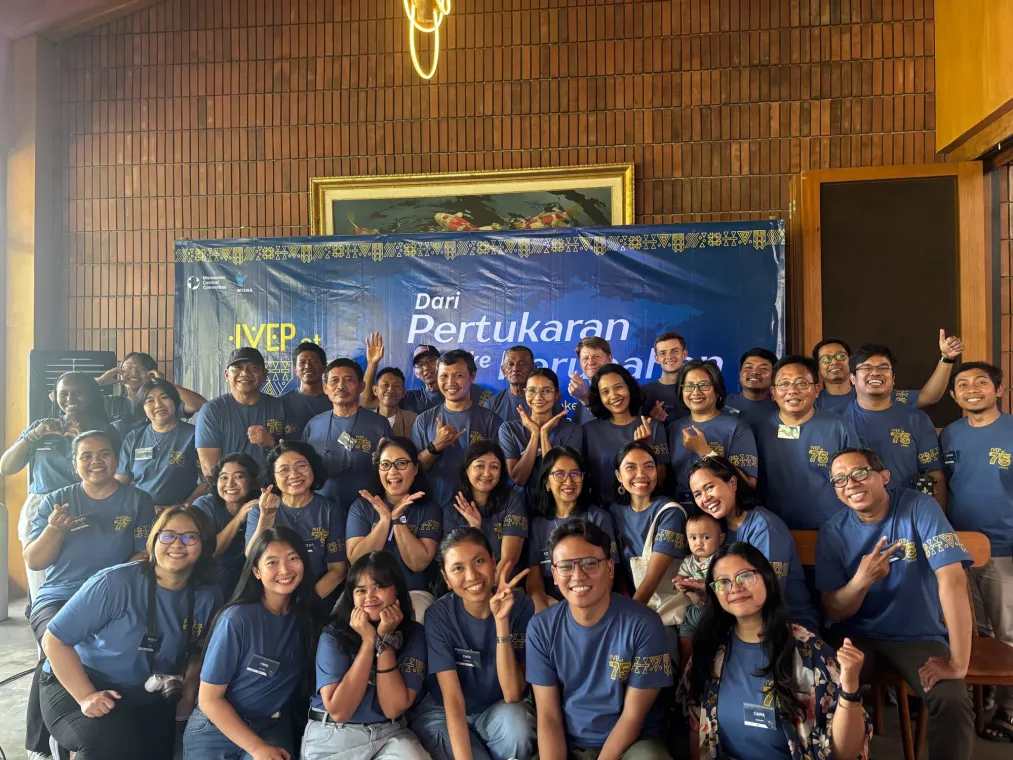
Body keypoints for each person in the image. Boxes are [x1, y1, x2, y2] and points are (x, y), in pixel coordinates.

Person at [817, 447, 975, 760]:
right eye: (839, 480)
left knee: (952, 698)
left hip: (917, 637)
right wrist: (861, 581)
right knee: (818, 687)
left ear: (883, 476)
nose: (851, 483)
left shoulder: (920, 507)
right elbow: (833, 609)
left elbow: (953, 579)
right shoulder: (833, 531)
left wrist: (958, 662)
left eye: (859, 473)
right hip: (856, 639)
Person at [40, 506, 221, 760]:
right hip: (79, 682)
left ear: (205, 545)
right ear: (154, 540)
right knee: (108, 745)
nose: (177, 544)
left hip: (146, 694)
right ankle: (67, 747)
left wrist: (186, 700)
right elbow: (54, 640)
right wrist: (86, 695)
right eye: (168, 535)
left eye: (190, 537)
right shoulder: (115, 583)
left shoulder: (207, 595)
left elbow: (196, 653)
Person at [23, 429, 157, 759]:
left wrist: (112, 585)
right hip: (60, 595)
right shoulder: (56, 501)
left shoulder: (137, 499)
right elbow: (35, 559)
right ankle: (41, 744)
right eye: (86, 455)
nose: (96, 461)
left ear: (117, 459)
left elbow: (143, 554)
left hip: (115, 595)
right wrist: (55, 529)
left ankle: (108, 724)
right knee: (54, 648)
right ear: (74, 463)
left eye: (104, 454)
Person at [680, 542, 871, 760]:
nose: (735, 588)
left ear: (767, 579)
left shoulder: (809, 651)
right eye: (723, 582)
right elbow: (696, 728)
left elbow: (845, 753)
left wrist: (849, 688)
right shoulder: (709, 649)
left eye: (745, 576)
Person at [526, 518, 674, 759]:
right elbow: (549, 716)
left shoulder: (644, 624)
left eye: (589, 563)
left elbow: (632, 717)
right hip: (571, 745)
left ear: (609, 569)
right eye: (565, 566)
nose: (578, 575)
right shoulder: (541, 628)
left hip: (631, 746)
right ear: (554, 574)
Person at [184, 526, 317, 760]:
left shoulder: (308, 619)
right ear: (256, 570)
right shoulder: (237, 618)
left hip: (270, 727)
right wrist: (256, 748)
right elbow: (209, 699)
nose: (285, 570)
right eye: (272, 562)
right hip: (216, 728)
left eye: (293, 559)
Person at [411, 529, 537, 760]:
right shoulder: (438, 616)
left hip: (495, 707)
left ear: (494, 563)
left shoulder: (520, 606)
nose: (471, 576)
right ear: (446, 579)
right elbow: (452, 699)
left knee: (518, 728)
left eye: (479, 561)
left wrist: (501, 623)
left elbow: (512, 694)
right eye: (458, 568)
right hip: (443, 710)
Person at [940, 361, 1013, 740]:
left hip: (1006, 549)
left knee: (1008, 631)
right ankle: (983, 696)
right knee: (975, 629)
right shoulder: (949, 435)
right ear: (953, 395)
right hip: (960, 549)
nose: (972, 388)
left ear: (998, 390)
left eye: (981, 382)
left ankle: (1010, 709)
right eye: (963, 384)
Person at [2, 372, 119, 606]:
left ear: (91, 397)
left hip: (87, 503)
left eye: (78, 393)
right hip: (41, 506)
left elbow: (111, 473)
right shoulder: (41, 428)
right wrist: (34, 436)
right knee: (41, 579)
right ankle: (45, 635)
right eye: (63, 394)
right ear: (54, 398)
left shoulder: (105, 431)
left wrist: (83, 440)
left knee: (82, 578)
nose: (70, 399)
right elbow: (6, 467)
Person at [301, 552, 428, 759]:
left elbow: (393, 709)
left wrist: (384, 640)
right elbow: (340, 711)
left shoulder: (414, 634)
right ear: (351, 597)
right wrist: (369, 642)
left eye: (379, 586)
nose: (370, 597)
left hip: (390, 734)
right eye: (361, 590)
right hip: (334, 735)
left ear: (396, 590)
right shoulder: (333, 635)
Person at [685, 456, 820, 632]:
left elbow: (769, 592)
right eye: (697, 494)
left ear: (732, 483)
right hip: (739, 620)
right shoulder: (716, 531)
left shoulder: (765, 527)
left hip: (785, 624)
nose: (705, 498)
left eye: (710, 487)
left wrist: (713, 592)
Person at [755, 355, 860, 529]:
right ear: (773, 392)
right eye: (784, 384)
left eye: (802, 383)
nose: (792, 390)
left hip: (831, 529)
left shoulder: (838, 426)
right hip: (772, 529)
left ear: (817, 389)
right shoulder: (760, 428)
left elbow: (856, 477)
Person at [346, 437, 442, 622]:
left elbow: (418, 563)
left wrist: (398, 520)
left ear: (415, 469)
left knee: (420, 618)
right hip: (369, 594)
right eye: (386, 464)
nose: (392, 471)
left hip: (413, 591)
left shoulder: (429, 509)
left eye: (401, 463)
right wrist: (384, 520)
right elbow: (357, 560)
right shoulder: (361, 507)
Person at [840, 344, 946, 506]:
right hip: (854, 514)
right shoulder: (837, 421)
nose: (875, 373)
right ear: (852, 378)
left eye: (884, 367)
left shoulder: (916, 419)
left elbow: (934, 474)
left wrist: (937, 518)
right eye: (866, 368)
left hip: (908, 512)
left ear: (893, 378)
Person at [246, 441, 347, 601]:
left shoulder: (330, 510)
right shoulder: (260, 510)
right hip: (271, 597)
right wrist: (266, 517)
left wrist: (305, 602)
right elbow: (251, 557)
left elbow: (337, 570)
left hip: (316, 596)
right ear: (273, 477)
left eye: (301, 466)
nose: (294, 475)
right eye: (283, 470)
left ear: (313, 468)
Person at [526, 447, 619, 612]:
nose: (568, 482)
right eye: (559, 474)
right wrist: (544, 615)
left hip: (593, 605)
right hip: (552, 606)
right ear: (547, 483)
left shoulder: (598, 518)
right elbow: (534, 581)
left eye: (575, 474)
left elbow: (608, 576)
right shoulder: (537, 525)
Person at [412, 349, 504, 507]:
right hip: (435, 509)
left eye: (458, 375)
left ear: (473, 377)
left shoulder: (491, 421)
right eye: (444, 376)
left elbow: (500, 472)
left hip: (477, 509)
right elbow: (414, 471)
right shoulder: (423, 420)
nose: (450, 382)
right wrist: (435, 447)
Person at [302, 357, 393, 508]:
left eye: (348, 380)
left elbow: (390, 468)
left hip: (367, 507)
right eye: (334, 381)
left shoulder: (379, 424)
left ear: (361, 386)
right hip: (322, 507)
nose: (341, 386)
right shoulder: (313, 424)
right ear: (325, 388)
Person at [608, 442, 687, 610]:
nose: (641, 474)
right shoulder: (614, 513)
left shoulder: (670, 512)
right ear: (619, 476)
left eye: (648, 466)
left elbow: (653, 577)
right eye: (630, 467)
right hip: (630, 602)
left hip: (665, 607)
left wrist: (629, 616)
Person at [668, 360, 757, 505]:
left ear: (717, 389)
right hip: (680, 513)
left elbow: (748, 486)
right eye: (689, 386)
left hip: (720, 511)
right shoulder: (673, 429)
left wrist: (705, 451)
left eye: (704, 385)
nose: (696, 392)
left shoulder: (737, 428)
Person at [195, 347, 295, 476]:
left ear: (265, 374)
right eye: (237, 368)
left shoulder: (281, 406)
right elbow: (210, 469)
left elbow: (296, 457)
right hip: (231, 491)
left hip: (274, 489)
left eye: (254, 368)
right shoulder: (212, 411)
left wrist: (272, 442)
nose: (245, 373)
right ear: (226, 375)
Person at [812, 331, 963, 415]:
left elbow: (929, 397)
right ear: (818, 366)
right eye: (826, 359)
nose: (834, 362)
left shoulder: (880, 393)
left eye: (840, 356)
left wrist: (947, 358)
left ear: (852, 362)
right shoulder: (812, 402)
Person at [443, 441, 528, 585]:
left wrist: (488, 588)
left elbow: (510, 558)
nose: (487, 473)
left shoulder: (512, 500)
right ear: (467, 469)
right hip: (469, 586)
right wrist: (475, 528)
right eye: (480, 466)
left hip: (505, 585)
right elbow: (457, 562)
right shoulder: (453, 509)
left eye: (494, 467)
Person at [584, 363, 668, 504]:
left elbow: (660, 481)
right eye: (605, 391)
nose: (614, 395)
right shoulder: (588, 431)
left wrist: (645, 449)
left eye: (618, 387)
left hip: (643, 509)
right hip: (603, 512)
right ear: (599, 397)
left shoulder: (653, 426)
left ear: (629, 388)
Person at [499, 367, 582, 508]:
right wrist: (535, 434)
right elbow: (519, 478)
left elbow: (559, 478)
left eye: (545, 391)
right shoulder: (509, 429)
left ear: (556, 394)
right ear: (525, 393)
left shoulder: (572, 430)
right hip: (519, 506)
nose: (538, 397)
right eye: (531, 390)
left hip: (559, 505)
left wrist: (544, 435)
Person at [116, 378, 203, 510]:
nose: (158, 405)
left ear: (175, 401)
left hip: (180, 514)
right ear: (143, 408)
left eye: (164, 397)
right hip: (140, 512)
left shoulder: (194, 435)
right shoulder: (134, 437)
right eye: (149, 400)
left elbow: (208, 480)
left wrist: (185, 506)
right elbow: (121, 482)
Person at [192, 454, 260, 600]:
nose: (230, 484)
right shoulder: (204, 505)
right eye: (223, 477)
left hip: (246, 586)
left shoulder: (259, 507)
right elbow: (209, 552)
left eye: (238, 477)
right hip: (209, 588)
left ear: (252, 481)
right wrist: (239, 518)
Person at [97, 351, 206, 432]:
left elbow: (198, 404)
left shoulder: (163, 403)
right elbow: (81, 400)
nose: (134, 373)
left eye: (141, 369)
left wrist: (163, 383)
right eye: (128, 368)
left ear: (151, 374)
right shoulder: (111, 402)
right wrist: (100, 381)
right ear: (119, 371)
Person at [482, 345, 562, 423]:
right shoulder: (492, 404)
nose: (515, 368)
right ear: (503, 371)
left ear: (533, 369)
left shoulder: (548, 401)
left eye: (522, 364)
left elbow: (561, 433)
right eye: (510, 364)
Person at [281, 341, 332, 436]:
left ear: (324, 368)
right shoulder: (281, 403)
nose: (308, 366)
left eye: (314, 361)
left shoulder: (335, 401)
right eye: (302, 362)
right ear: (295, 370)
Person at [724, 348, 779, 431]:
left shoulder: (782, 407)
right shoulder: (722, 404)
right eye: (749, 367)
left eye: (764, 368)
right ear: (740, 375)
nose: (755, 372)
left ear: (774, 377)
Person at [675, 512, 724, 606]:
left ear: (720, 539)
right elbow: (682, 576)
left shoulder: (720, 559)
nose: (698, 543)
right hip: (697, 600)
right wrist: (681, 583)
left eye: (705, 537)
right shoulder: (688, 562)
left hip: (717, 600)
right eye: (693, 538)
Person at [641, 332, 689, 425]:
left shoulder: (697, 390)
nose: (669, 356)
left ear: (684, 354)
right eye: (662, 353)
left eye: (675, 351)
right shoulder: (644, 393)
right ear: (656, 358)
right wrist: (652, 421)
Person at [567, 336, 614, 427]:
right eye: (585, 358)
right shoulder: (580, 404)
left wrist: (586, 398)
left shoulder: (621, 391)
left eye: (596, 356)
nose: (591, 362)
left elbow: (614, 428)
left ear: (609, 359)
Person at [403, 344, 443, 414]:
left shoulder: (456, 392)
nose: (426, 367)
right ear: (416, 373)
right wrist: (376, 362)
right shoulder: (410, 398)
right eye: (420, 365)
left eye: (430, 361)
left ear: (442, 364)